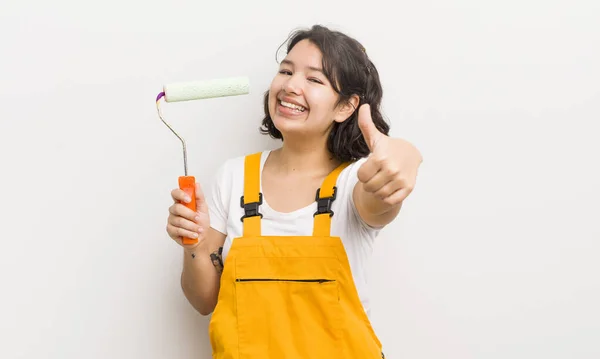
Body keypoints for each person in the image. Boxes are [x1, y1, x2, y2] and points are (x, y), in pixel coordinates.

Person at [166, 24, 423, 358]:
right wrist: (194, 243)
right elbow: (203, 300)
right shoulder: (233, 178)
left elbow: (385, 189)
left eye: (314, 79)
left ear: (346, 107)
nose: (290, 85)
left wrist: (404, 158)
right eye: (285, 71)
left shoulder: (355, 181)